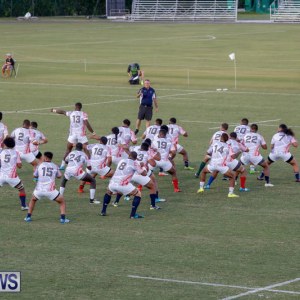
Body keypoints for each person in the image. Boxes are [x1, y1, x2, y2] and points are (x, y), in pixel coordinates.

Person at [24, 152, 71, 223]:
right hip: (51, 190)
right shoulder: (55, 166)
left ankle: (28, 217)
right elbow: (59, 176)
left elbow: (34, 176)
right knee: (62, 201)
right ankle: (63, 219)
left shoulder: (40, 165)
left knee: (33, 200)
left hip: (39, 190)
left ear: (45, 158)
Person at [113, 142, 162, 210]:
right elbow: (153, 164)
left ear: (141, 147)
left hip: (131, 173)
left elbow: (127, 149)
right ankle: (153, 205)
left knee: (124, 186)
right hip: (139, 173)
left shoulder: (135, 149)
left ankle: (116, 202)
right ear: (148, 148)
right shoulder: (148, 153)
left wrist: (120, 145)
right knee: (152, 186)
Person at [100, 151, 147, 219]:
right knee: (138, 194)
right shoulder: (135, 163)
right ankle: (133, 215)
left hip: (113, 182)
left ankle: (103, 211)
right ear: (136, 158)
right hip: (123, 184)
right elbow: (144, 174)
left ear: (129, 155)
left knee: (109, 192)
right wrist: (142, 166)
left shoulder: (122, 160)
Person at [51, 102, 95, 170]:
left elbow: (63, 112)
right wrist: (92, 131)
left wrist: (54, 110)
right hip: (81, 135)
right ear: (81, 107)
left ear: (75, 107)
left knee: (68, 150)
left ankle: (62, 166)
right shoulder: (84, 114)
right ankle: (90, 166)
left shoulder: (71, 113)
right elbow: (87, 124)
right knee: (86, 150)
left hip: (72, 135)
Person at [197, 133, 239, 198]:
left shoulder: (215, 144)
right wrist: (239, 152)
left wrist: (213, 155)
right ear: (227, 139)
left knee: (203, 171)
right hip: (222, 166)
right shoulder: (228, 146)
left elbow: (208, 152)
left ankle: (201, 188)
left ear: (221, 138)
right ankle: (230, 193)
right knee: (233, 176)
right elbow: (233, 156)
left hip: (212, 164)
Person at [0, 137, 28, 210]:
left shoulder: (2, 152)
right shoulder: (16, 153)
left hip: (1, 176)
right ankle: (23, 206)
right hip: (11, 176)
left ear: (5, 145)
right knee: (21, 189)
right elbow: (19, 166)